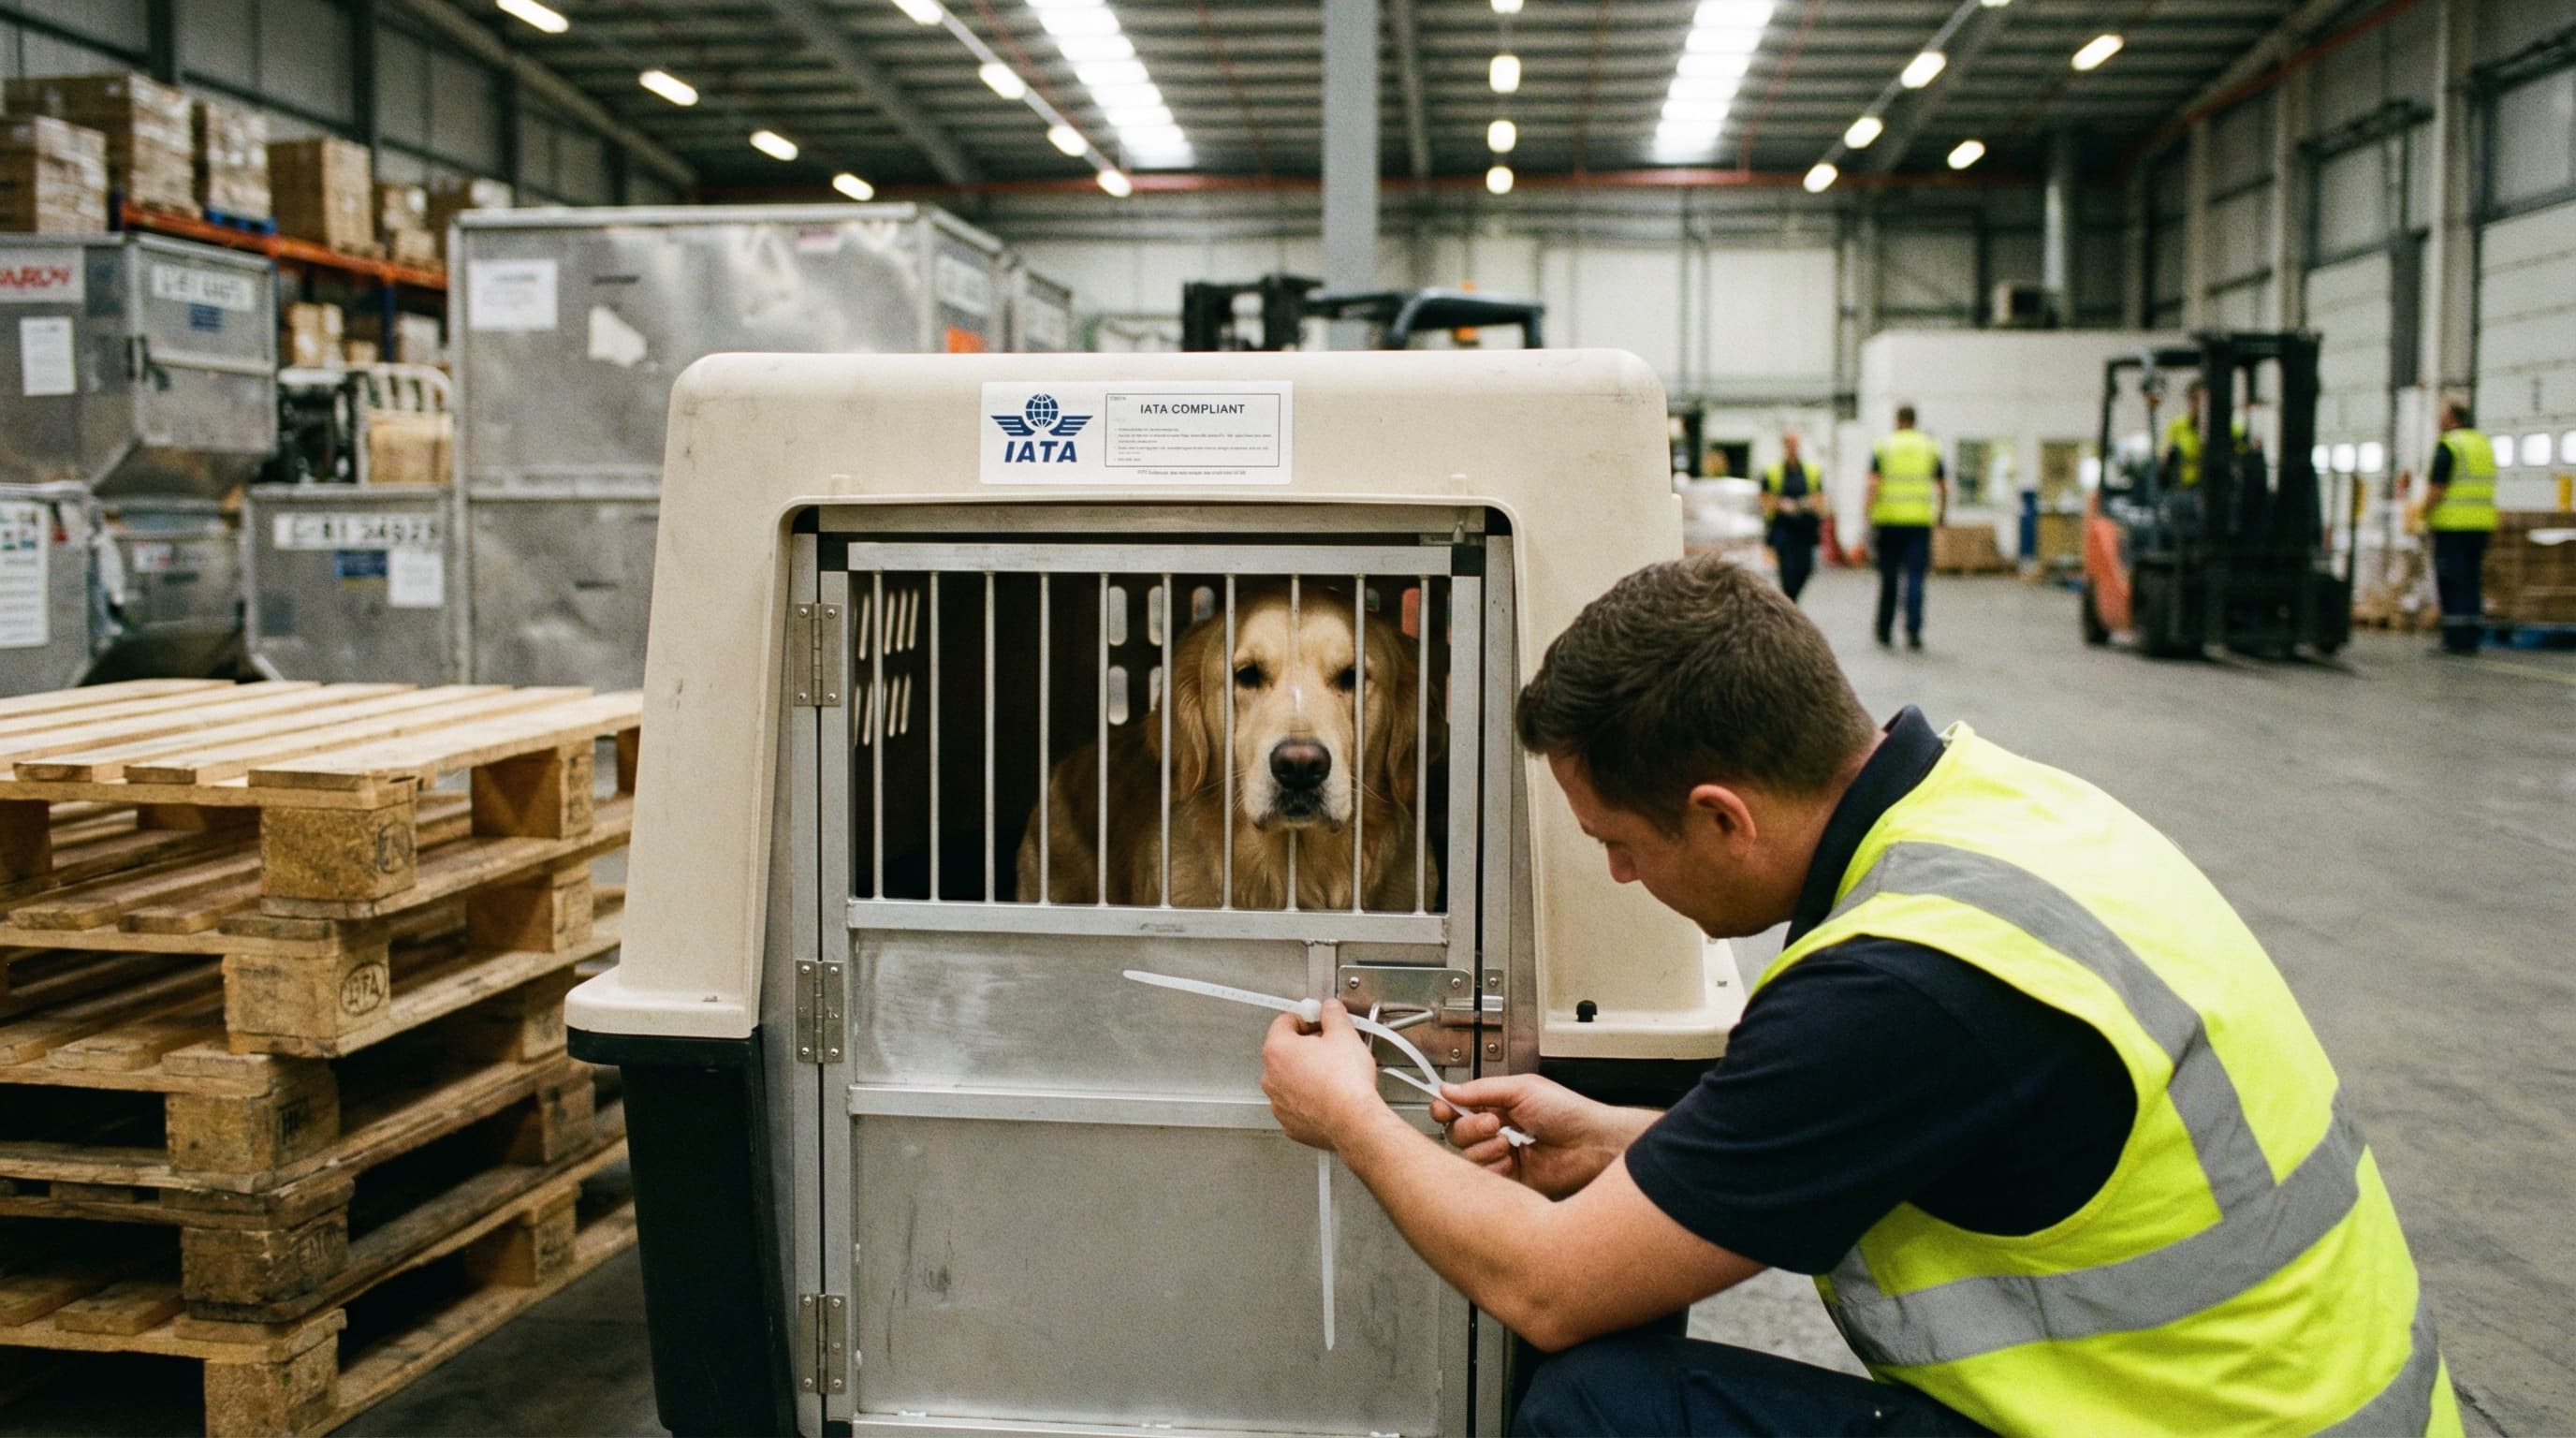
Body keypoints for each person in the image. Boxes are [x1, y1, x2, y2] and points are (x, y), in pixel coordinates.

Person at [1260, 557, 2457, 1438]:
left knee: (1603, 1405)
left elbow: (1550, 1288)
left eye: (1620, 842)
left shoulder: (1897, 989)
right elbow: (1924, 1129)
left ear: (1722, 814)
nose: (1621, 875)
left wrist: (1350, 1118)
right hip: (2297, 1410)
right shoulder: (2002, 812)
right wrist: (1637, 1140)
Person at [2422, 399, 2497, 655]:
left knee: (2452, 581)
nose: (2437, 419)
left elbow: (2437, 488)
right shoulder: (2482, 443)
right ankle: (2471, 637)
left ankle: (2455, 639)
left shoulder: (2450, 446)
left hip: (2453, 526)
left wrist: (2422, 514)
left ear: (2452, 418)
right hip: (2481, 525)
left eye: (2441, 415)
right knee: (2471, 580)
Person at [1866, 404, 1944, 650]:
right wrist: (1941, 514)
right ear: (1914, 421)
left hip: (1888, 522)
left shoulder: (1884, 446)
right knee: (1915, 578)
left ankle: (1884, 631)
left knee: (1889, 578)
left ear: (1898, 420)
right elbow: (1943, 486)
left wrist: (1867, 515)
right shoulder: (1930, 446)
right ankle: (1913, 631)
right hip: (1919, 522)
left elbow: (1873, 485)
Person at [1759, 432, 1822, 603]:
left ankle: (1791, 603)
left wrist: (1803, 504)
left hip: (1805, 530)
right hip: (1783, 530)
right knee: (1788, 573)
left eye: (1796, 443)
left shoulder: (1811, 471)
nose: (1793, 447)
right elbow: (1764, 498)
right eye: (1790, 444)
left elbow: (1819, 498)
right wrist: (1781, 504)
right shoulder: (1773, 471)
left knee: (1806, 569)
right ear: (1784, 446)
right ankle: (1790, 604)